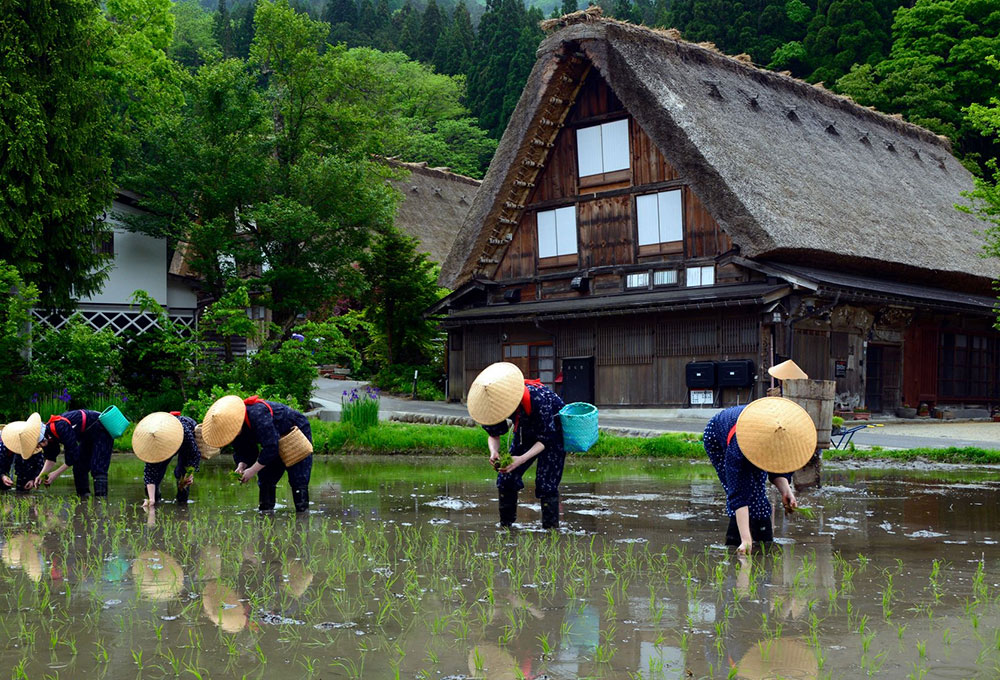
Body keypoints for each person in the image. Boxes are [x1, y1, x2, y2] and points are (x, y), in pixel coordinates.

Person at [703, 397, 816, 554]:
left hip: (754, 433)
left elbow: (777, 466)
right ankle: (738, 541)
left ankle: (763, 540)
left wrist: (786, 491)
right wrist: (746, 540)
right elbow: (738, 491)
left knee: (757, 491)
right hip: (718, 437)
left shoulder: (782, 434)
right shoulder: (737, 450)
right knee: (748, 490)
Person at [467, 362, 566, 529]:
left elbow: (545, 439)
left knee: (546, 484)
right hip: (524, 432)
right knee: (506, 477)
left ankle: (550, 532)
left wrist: (520, 459)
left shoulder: (538, 398)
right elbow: (494, 434)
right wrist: (494, 452)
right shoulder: (494, 404)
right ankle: (506, 527)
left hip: (552, 435)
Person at [200, 395, 313, 512]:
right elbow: (243, 450)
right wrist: (241, 465)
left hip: (293, 432)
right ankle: (266, 513)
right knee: (265, 478)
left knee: (298, 477)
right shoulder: (234, 430)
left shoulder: (257, 414)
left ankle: (302, 514)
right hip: (272, 439)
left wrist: (252, 470)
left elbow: (271, 448)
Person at [33, 409, 114, 497]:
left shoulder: (61, 427)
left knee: (98, 468)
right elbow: (51, 458)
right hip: (87, 435)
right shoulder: (49, 437)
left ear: (44, 437)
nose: (39, 447)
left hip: (101, 427)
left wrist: (55, 474)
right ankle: (84, 500)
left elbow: (73, 456)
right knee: (79, 468)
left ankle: (101, 502)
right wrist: (41, 475)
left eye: (39, 444)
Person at [132, 411, 202, 507]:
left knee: (182, 474)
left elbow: (194, 455)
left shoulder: (184, 432)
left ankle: (182, 504)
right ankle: (155, 499)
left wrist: (190, 474)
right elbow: (149, 472)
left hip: (184, 441)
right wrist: (150, 499)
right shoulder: (152, 442)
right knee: (157, 473)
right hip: (163, 444)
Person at [0, 414, 66, 491]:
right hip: (2, 470)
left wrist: (32, 480)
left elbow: (40, 465)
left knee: (23, 486)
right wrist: (2, 476)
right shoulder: (3, 446)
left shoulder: (33, 448)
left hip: (24, 472)